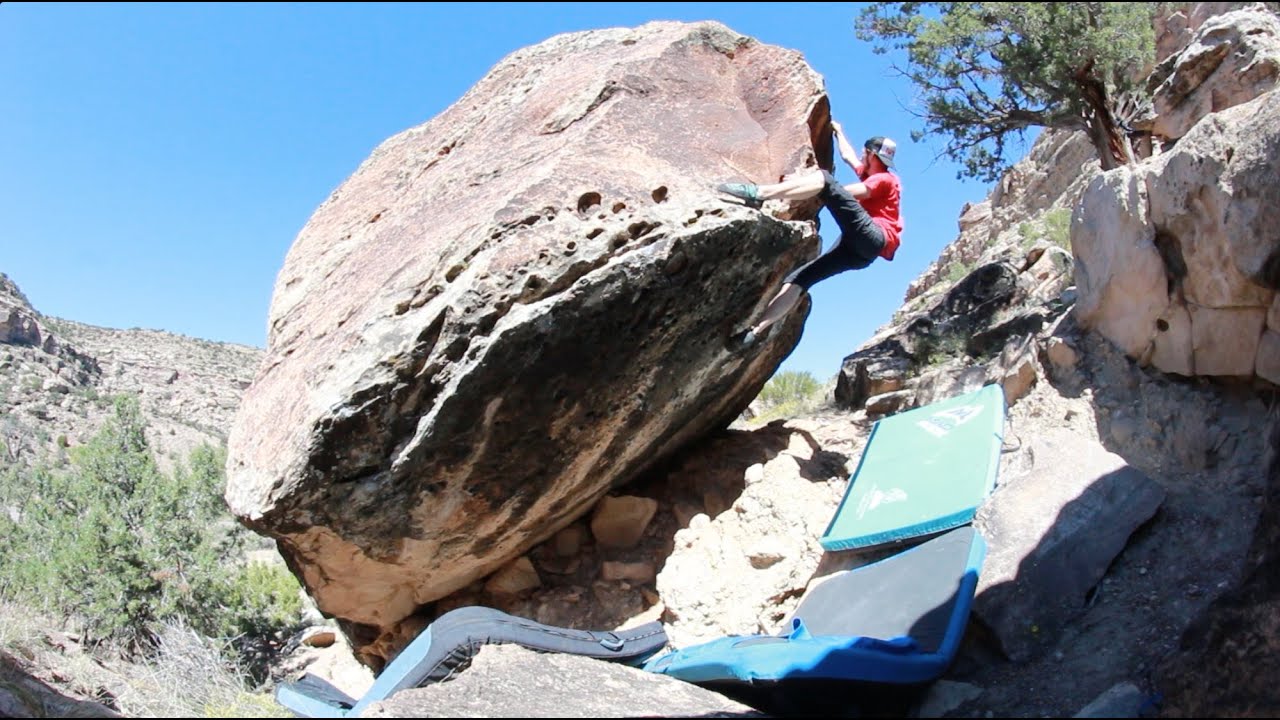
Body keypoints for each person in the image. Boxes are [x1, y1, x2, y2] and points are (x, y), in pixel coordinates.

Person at [716, 121, 902, 348]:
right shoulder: (870, 172)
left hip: (873, 235)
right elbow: (848, 156)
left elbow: (853, 193)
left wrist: (816, 188)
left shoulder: (885, 179)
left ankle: (760, 194)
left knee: (824, 179)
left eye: (865, 155)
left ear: (871, 154)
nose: (862, 158)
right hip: (860, 253)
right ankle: (753, 333)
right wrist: (838, 131)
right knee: (801, 278)